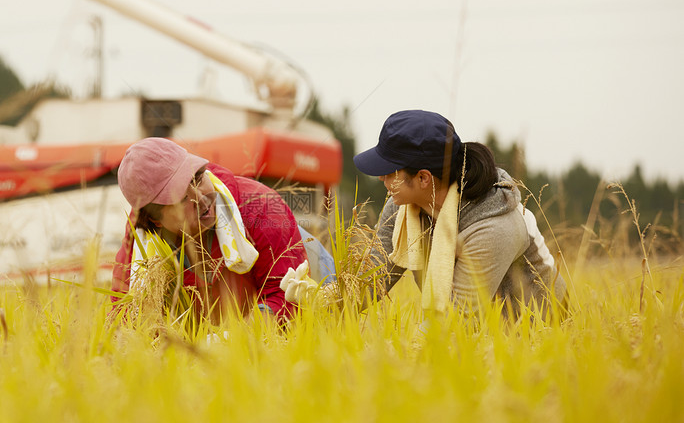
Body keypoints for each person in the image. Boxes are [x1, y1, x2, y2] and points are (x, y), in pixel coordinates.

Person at [283, 109, 567, 321]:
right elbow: (373, 278)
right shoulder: (404, 205)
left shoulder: (493, 227)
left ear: (423, 178)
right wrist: (324, 298)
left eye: (390, 170)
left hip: (539, 347)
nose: (381, 177)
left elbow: (455, 324)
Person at [111, 137, 316, 322]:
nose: (201, 198)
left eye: (198, 178)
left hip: (313, 276)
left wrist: (230, 343)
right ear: (156, 220)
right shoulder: (140, 241)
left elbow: (287, 297)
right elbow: (124, 316)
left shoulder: (261, 206)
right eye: (182, 198)